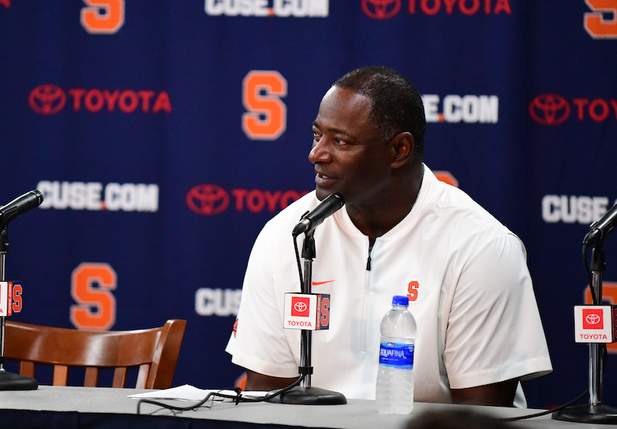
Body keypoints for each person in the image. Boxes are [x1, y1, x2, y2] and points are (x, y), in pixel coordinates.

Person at [225, 66, 552, 407]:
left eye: (340, 141)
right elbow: (266, 397)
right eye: (316, 135)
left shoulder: (481, 246)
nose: (317, 154)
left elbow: (479, 416)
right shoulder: (287, 234)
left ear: (399, 150)